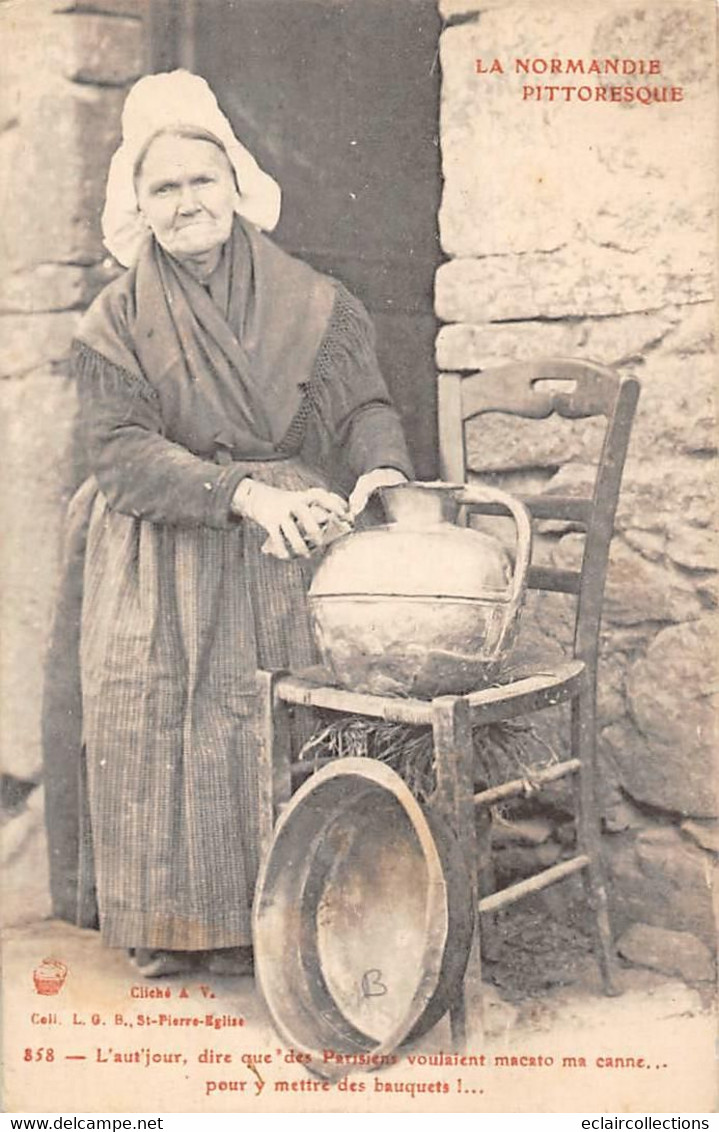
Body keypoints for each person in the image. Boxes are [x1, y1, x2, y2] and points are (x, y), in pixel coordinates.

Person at [42, 70, 413, 978]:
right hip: (159, 535)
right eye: (161, 189)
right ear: (139, 206)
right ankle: (169, 921)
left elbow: (360, 404)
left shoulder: (316, 301)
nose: (185, 203)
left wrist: (382, 465)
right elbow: (121, 452)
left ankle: (282, 917)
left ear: (236, 183)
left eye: (200, 181)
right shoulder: (115, 319)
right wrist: (240, 495)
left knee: (275, 715)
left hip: (282, 547)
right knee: (157, 714)